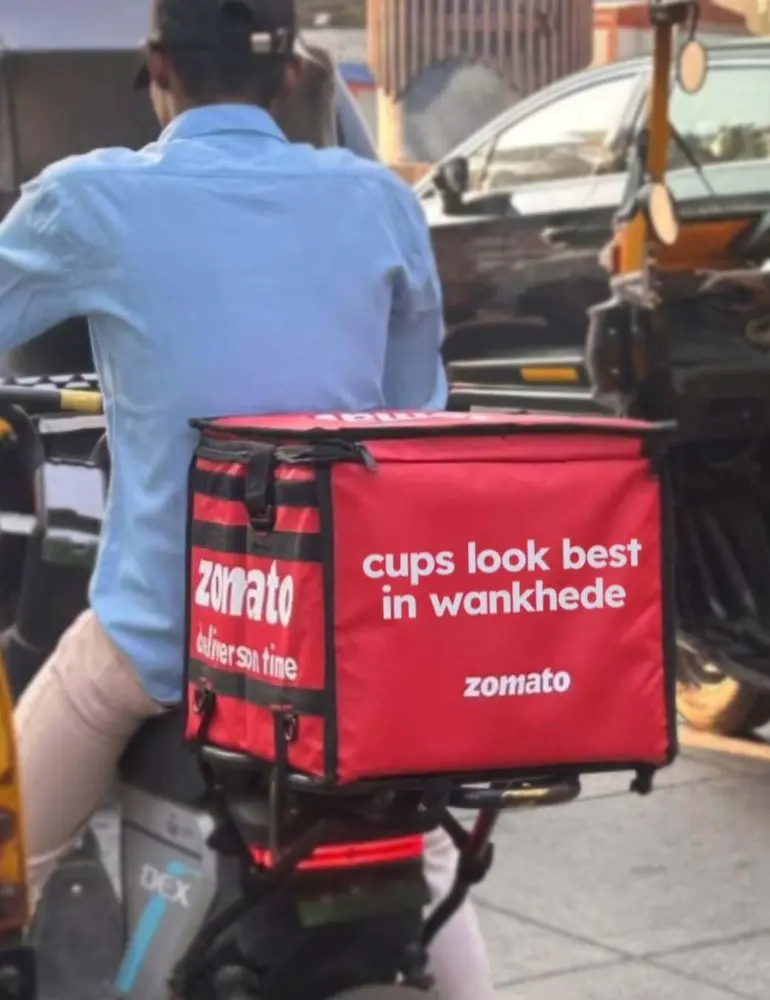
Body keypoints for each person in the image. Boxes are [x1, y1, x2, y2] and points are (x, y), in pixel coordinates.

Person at [1, 0, 494, 995]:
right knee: (432, 859)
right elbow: (413, 413)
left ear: (157, 66)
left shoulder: (90, 200)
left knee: (21, 846)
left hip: (170, 635)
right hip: (341, 641)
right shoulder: (378, 201)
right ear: (293, 76)